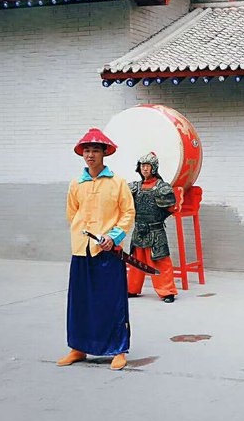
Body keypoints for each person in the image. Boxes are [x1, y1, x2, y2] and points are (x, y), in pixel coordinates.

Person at [57, 128, 136, 371]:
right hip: (81, 251)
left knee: (112, 301)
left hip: (108, 252)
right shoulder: (76, 184)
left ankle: (118, 349)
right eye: (87, 151)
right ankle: (78, 347)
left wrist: (113, 237)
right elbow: (72, 214)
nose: (90, 155)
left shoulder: (117, 183)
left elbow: (128, 213)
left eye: (95, 150)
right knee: (80, 301)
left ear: (104, 154)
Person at [127, 152, 179, 303]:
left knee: (160, 261)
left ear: (154, 168)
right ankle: (132, 288)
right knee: (135, 261)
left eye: (147, 166)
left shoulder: (162, 188)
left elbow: (171, 208)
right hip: (139, 229)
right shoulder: (134, 187)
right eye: (142, 166)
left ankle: (167, 291)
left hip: (155, 231)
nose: (144, 169)